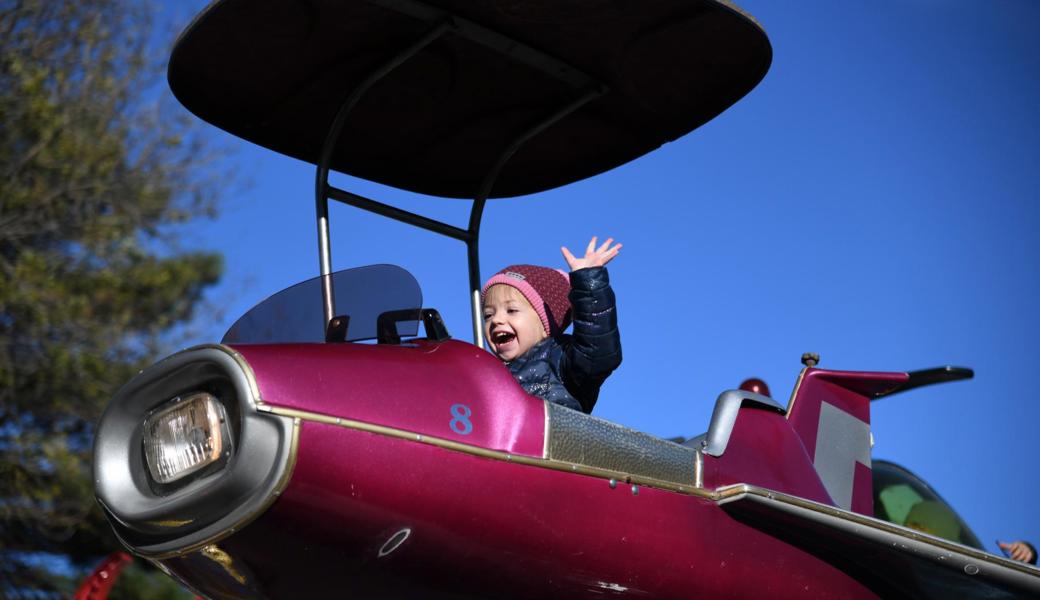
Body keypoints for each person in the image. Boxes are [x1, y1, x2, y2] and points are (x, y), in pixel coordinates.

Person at [481, 236, 622, 413]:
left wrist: (588, 281)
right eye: (488, 315)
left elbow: (597, 351)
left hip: (554, 439)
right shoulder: (489, 374)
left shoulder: (559, 359)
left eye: (512, 310)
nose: (496, 320)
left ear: (544, 323)